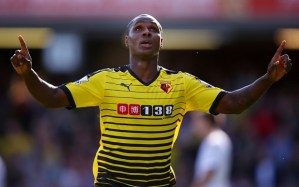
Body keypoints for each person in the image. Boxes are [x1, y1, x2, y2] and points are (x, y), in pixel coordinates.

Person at [10, 14, 292, 187]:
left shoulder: (182, 84)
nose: (146, 32)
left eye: (153, 29)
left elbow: (232, 103)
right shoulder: (105, 80)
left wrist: (267, 79)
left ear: (161, 41)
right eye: (139, 28)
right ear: (127, 41)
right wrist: (28, 74)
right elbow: (52, 97)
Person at [189, 112, 232, 187]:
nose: (193, 124)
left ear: (206, 121)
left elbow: (209, 173)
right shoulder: (213, 138)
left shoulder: (214, 140)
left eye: (196, 120)